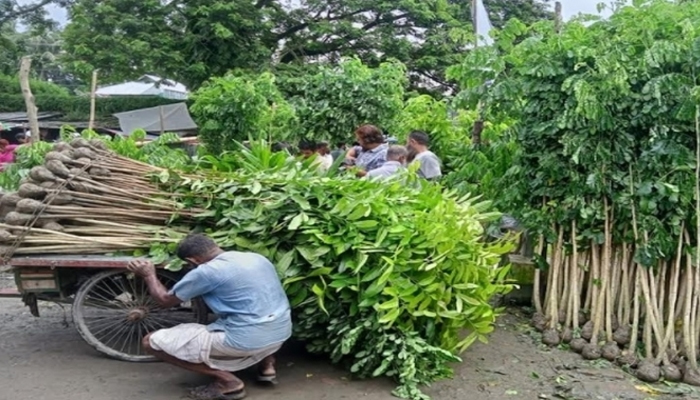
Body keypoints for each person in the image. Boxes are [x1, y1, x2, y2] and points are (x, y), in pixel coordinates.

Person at [127, 234, 292, 400]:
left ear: (193, 260)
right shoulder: (256, 257)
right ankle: (267, 367)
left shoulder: (206, 272)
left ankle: (228, 382)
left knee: (150, 342)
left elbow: (164, 300)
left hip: (246, 341)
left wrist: (149, 275)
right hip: (281, 333)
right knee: (259, 313)